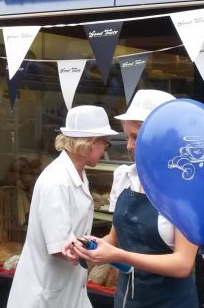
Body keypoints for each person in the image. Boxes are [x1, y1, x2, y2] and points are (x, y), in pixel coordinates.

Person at [74, 89, 198, 308]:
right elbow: (114, 238)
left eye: (135, 137)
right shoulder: (125, 177)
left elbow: (182, 264)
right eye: (127, 137)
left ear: (160, 138)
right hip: (127, 299)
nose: (129, 145)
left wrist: (120, 256)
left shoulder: (185, 189)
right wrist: (85, 245)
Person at [6, 105, 120, 308]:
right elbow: (60, 248)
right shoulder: (56, 180)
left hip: (69, 291)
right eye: (106, 143)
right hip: (45, 296)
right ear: (92, 143)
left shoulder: (77, 174)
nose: (105, 150)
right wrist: (110, 253)